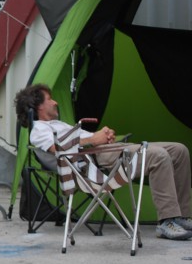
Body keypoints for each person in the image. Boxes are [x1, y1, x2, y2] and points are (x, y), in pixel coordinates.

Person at [15, 83, 192, 241]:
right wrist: (94, 140)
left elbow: (81, 140)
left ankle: (182, 216)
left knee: (179, 150)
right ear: (38, 106)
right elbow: (59, 150)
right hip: (95, 159)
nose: (55, 102)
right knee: (158, 156)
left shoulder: (58, 124)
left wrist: (102, 136)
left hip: (105, 150)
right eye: (50, 99)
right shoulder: (38, 130)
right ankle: (166, 221)